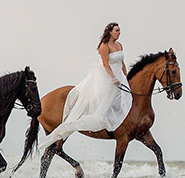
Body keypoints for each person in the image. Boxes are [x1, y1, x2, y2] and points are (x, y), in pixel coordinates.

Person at [38, 22, 133, 150]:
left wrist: (125, 76)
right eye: (117, 30)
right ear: (110, 32)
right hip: (107, 77)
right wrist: (113, 78)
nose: (119, 32)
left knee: (125, 98)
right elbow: (105, 64)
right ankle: (97, 123)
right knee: (103, 100)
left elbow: (122, 63)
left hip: (119, 76)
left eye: (119, 30)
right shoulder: (104, 46)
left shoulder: (119, 45)